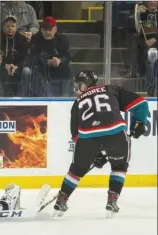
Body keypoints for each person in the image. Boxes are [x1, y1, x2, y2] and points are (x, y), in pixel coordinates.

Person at [53, 70, 149, 218]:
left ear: (88, 83)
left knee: (76, 170)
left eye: (80, 84)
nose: (77, 87)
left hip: (87, 138)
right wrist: (139, 122)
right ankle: (112, 200)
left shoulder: (77, 103)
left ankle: (62, 198)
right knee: (119, 166)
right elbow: (141, 103)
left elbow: (76, 135)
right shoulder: (110, 89)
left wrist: (93, 153)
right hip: (115, 133)